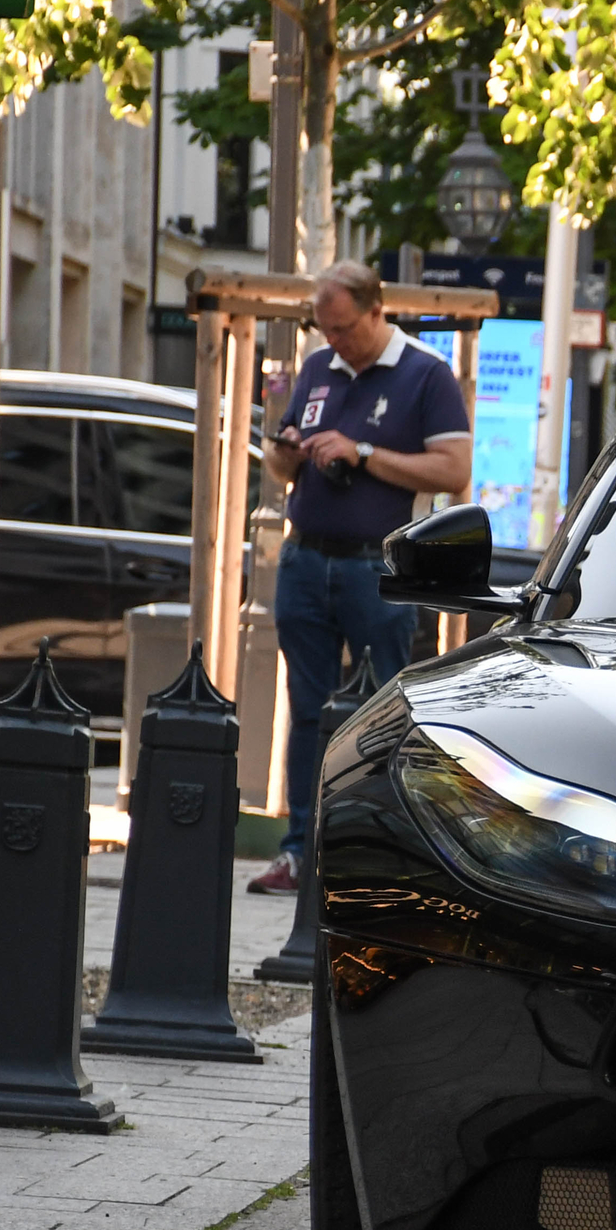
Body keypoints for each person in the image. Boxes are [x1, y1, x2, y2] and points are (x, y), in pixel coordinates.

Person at [249, 262, 473, 893]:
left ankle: (371, 855)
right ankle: (300, 851)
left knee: (378, 713)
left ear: (378, 312)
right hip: (306, 556)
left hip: (376, 563)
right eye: (326, 330)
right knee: (307, 709)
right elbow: (279, 469)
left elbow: (455, 468)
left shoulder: (426, 374)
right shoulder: (318, 368)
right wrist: (289, 450)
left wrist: (363, 454)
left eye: (344, 329)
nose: (335, 342)